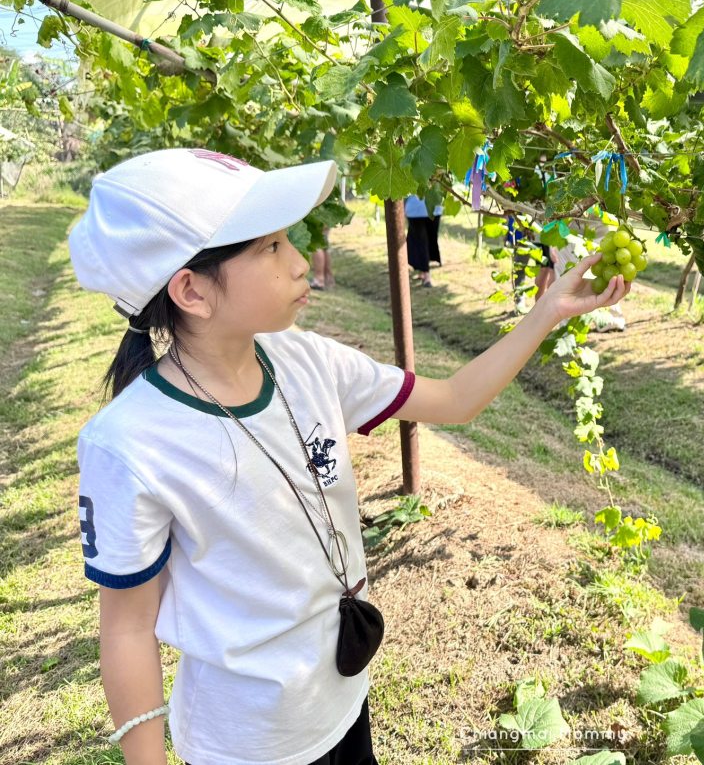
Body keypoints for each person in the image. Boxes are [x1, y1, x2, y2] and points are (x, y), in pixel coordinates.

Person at [67, 148, 629, 765]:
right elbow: (125, 628)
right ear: (192, 291)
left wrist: (547, 311)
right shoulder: (130, 443)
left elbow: (455, 399)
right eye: (271, 248)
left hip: (341, 703)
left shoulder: (309, 363)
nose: (300, 261)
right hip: (248, 743)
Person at [404, 194, 442, 287]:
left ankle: (424, 273)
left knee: (420, 242)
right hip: (433, 208)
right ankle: (425, 273)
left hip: (416, 209)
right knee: (427, 241)